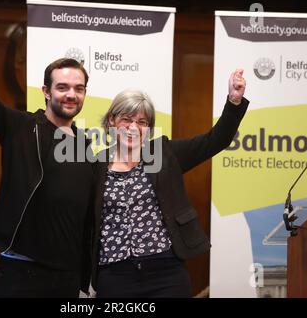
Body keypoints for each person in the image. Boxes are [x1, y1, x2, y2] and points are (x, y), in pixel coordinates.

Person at [0, 13, 94, 297]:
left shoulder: (86, 146)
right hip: (22, 273)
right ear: (46, 92)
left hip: (69, 278)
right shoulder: (20, 128)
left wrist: (87, 280)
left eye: (78, 88)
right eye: (62, 87)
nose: (71, 94)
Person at [92, 69, 248, 297]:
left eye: (142, 122)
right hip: (114, 276)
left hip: (165, 274)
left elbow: (216, 140)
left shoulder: (163, 154)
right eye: (126, 119)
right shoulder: (94, 167)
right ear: (112, 121)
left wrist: (234, 102)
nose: (133, 128)